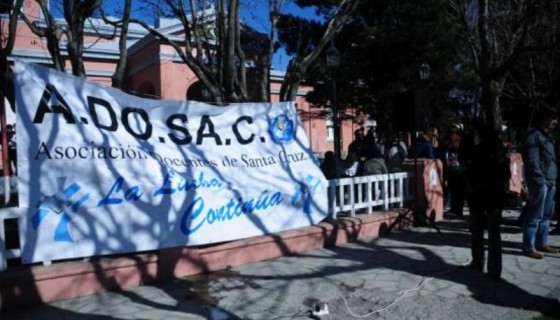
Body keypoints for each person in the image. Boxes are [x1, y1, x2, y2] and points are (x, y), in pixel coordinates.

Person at [466, 123, 511, 280]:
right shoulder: (500, 151)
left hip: (479, 196)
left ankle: (478, 262)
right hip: (494, 197)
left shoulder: (477, 151)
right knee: (494, 234)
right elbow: (506, 175)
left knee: (477, 231)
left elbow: (470, 175)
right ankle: (494, 269)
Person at [522, 105, 559, 259]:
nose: (555, 122)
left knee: (546, 215)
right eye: (553, 118)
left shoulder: (547, 136)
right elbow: (532, 160)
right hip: (540, 182)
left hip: (551, 181)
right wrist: (540, 180)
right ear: (544, 118)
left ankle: (541, 242)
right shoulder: (534, 135)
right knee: (534, 215)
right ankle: (529, 246)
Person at [443, 126, 466, 217]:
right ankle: (456, 209)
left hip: (456, 169)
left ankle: (457, 210)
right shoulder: (450, 145)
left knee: (456, 191)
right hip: (454, 169)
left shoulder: (457, 144)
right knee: (455, 191)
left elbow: (459, 157)